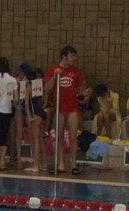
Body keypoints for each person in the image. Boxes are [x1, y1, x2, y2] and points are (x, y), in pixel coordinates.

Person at [44, 46, 86, 174]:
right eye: (72, 56)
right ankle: (60, 163)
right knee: (59, 136)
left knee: (73, 136)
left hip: (72, 107)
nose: (74, 59)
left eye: (75, 56)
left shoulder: (76, 72)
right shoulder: (53, 70)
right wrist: (55, 76)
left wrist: (84, 92)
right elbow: (47, 88)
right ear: (64, 57)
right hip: (59, 108)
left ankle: (73, 163)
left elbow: (80, 91)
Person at [0, 57, 17, 171]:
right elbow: (15, 98)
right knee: (4, 136)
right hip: (7, 110)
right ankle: (2, 163)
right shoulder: (13, 79)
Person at [19, 63, 46, 173]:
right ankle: (43, 163)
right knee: (40, 139)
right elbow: (42, 100)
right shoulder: (38, 87)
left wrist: (29, 117)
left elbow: (26, 104)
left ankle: (35, 165)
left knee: (35, 140)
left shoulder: (29, 87)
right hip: (41, 113)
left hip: (34, 114)